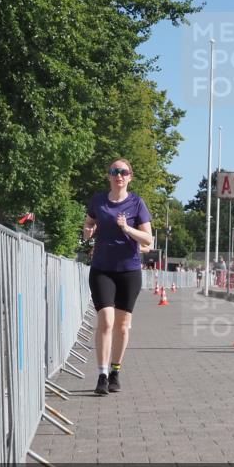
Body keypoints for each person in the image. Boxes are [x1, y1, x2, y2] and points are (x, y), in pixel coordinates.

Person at [82, 159, 154, 396]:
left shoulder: (137, 203)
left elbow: (148, 240)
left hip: (129, 271)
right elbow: (89, 223)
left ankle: (115, 371)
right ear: (109, 176)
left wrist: (127, 229)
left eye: (123, 172)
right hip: (102, 268)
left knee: (122, 326)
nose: (119, 175)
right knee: (106, 321)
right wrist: (88, 231)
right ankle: (102, 375)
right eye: (114, 172)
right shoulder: (99, 201)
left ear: (130, 177)